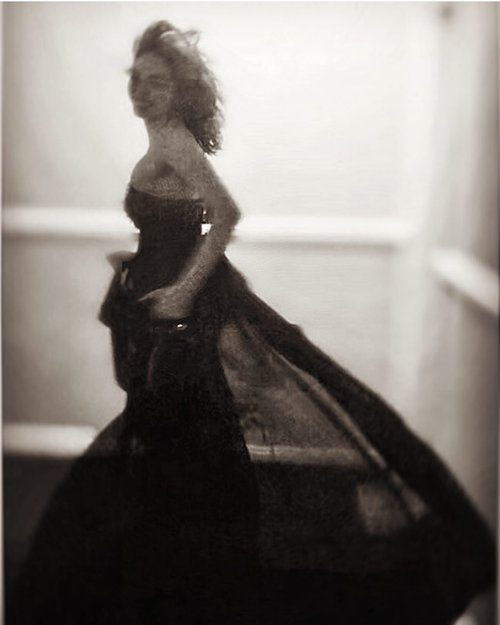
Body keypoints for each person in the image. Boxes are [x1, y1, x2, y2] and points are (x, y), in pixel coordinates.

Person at [8, 20, 495, 625]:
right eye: (136, 79)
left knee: (178, 427)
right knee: (175, 431)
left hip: (183, 314)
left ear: (180, 90)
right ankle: (184, 564)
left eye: (156, 82)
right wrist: (144, 262)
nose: (142, 91)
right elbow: (177, 225)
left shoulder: (174, 141)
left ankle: (203, 567)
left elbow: (225, 214)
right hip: (158, 306)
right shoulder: (160, 139)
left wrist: (181, 291)